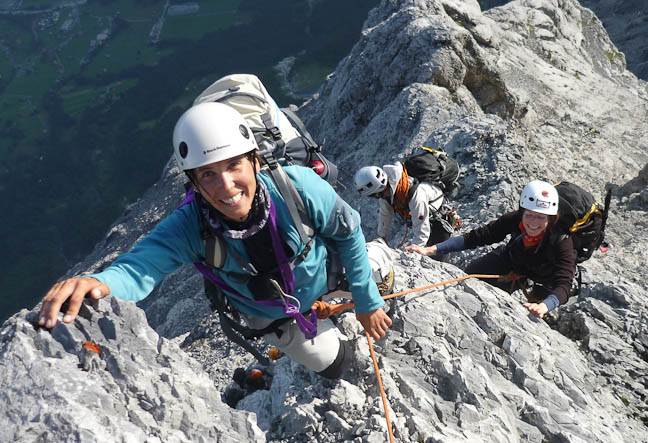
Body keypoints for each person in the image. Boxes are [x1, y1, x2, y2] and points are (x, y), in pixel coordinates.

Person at [38, 102, 391, 379]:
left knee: (374, 270)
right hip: (272, 313)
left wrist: (366, 301)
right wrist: (98, 283)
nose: (225, 186)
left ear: (255, 162)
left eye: (234, 165)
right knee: (337, 367)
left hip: (328, 273)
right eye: (208, 174)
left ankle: (379, 260)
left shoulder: (298, 188)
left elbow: (348, 233)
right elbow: (138, 268)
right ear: (193, 182)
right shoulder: (189, 227)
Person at [406, 180, 576, 319]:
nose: (533, 222)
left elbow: (564, 284)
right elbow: (478, 237)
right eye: (529, 215)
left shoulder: (562, 241)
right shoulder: (514, 219)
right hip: (514, 259)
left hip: (544, 277)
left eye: (540, 217)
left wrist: (545, 306)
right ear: (522, 212)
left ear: (551, 219)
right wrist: (431, 249)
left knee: (537, 307)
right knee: (471, 274)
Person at [354, 163, 457, 253]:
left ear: (379, 190)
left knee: (438, 255)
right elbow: (385, 213)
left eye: (375, 195)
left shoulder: (415, 194)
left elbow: (422, 230)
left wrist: (415, 251)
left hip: (440, 221)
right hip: (426, 219)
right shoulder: (387, 193)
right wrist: (381, 236)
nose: (377, 197)